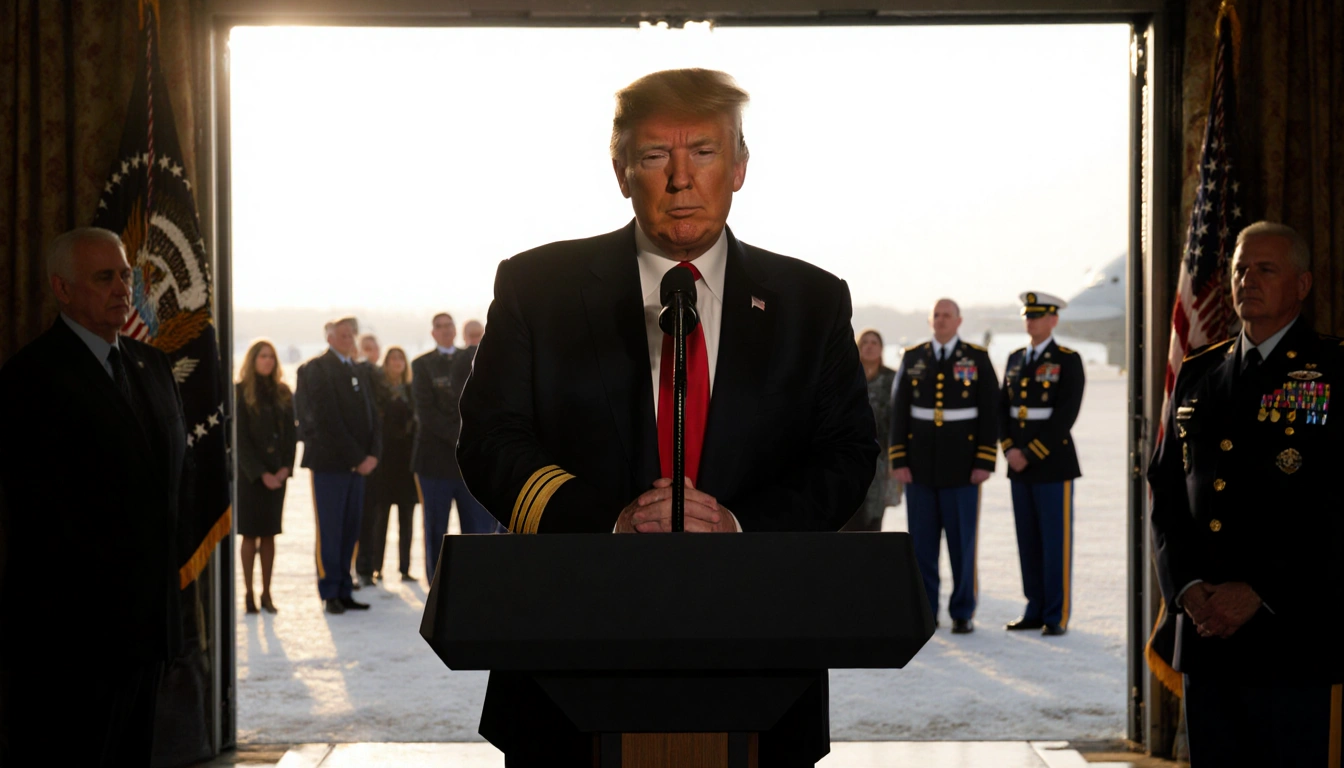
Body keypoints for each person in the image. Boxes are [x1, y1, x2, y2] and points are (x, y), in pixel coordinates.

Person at [456, 68, 876, 768]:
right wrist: (607, 522)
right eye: (656, 156)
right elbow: (491, 439)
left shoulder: (811, 301)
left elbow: (846, 453)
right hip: (568, 659)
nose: (681, 180)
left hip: (760, 666)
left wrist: (742, 526)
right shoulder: (538, 287)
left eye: (704, 153)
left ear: (740, 166)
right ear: (621, 168)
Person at [1148, 222, 1343, 766]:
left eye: (1265, 268)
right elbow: (1165, 490)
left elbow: (1334, 509)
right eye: (1239, 268)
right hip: (1206, 633)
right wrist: (1184, 586)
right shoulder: (1200, 371)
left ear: (1302, 285)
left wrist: (1259, 589)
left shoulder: (1335, 372)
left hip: (1290, 635)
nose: (1246, 280)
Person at [0, 227, 189, 764]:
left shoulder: (152, 366)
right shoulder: (30, 378)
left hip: (148, 627)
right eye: (104, 277)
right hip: (70, 637)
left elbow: (173, 487)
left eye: (126, 274)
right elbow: (44, 513)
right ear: (62, 289)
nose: (122, 288)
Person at [889, 299, 999, 634]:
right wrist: (899, 459)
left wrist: (984, 460)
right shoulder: (913, 357)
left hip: (963, 470)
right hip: (919, 469)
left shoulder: (976, 357)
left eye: (947, 315)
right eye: (936, 315)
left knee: (961, 546)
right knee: (921, 546)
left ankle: (962, 611)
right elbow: (899, 411)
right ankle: (926, 612)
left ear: (959, 320)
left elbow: (990, 411)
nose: (941, 320)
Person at [998, 291, 1084, 637]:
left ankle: (1055, 614)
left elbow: (1065, 416)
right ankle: (1033, 607)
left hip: (1051, 464)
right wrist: (1008, 449)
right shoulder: (1016, 358)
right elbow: (1001, 409)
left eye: (1037, 315)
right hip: (1017, 464)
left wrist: (1028, 453)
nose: (1030, 321)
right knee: (1027, 540)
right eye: (1027, 316)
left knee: (1054, 542)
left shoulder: (1067, 359)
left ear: (1053, 320)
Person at [297, 317, 381, 614]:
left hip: (359, 467)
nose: (348, 339)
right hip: (331, 466)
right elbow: (326, 420)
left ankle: (345, 588)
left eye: (351, 335)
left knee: (350, 529)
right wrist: (357, 458)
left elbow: (373, 416)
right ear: (329, 338)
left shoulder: (358, 369)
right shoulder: (315, 369)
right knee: (330, 531)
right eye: (342, 335)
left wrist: (373, 454)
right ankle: (330, 590)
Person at [412, 312, 493, 581]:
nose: (445, 331)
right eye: (439, 327)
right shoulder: (422, 365)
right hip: (435, 463)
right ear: (433, 332)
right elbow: (426, 412)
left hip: (469, 465)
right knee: (436, 528)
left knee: (476, 530)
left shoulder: (472, 359)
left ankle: (474, 581)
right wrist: (462, 434)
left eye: (449, 326)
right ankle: (437, 582)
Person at [236, 339, 298, 614]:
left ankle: (267, 593)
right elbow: (240, 439)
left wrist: (285, 468)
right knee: (250, 535)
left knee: (270, 535)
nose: (268, 361)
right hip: (251, 477)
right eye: (262, 356)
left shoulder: (283, 392)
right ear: (253, 360)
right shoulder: (239, 392)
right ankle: (249, 593)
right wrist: (261, 474)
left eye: (271, 357)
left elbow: (291, 436)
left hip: (278, 474)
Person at [359, 346, 419, 583]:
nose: (397, 362)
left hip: (407, 461)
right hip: (384, 461)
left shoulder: (412, 390)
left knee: (407, 517)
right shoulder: (379, 391)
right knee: (380, 517)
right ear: (386, 363)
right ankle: (377, 566)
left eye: (401, 358)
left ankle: (405, 568)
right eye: (393, 358)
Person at [842, 328, 896, 532]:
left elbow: (897, 420)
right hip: (848, 457)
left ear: (882, 349)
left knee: (873, 517)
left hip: (880, 459)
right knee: (847, 515)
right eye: (865, 342)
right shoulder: (846, 377)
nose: (870, 346)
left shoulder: (892, 379)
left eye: (875, 342)